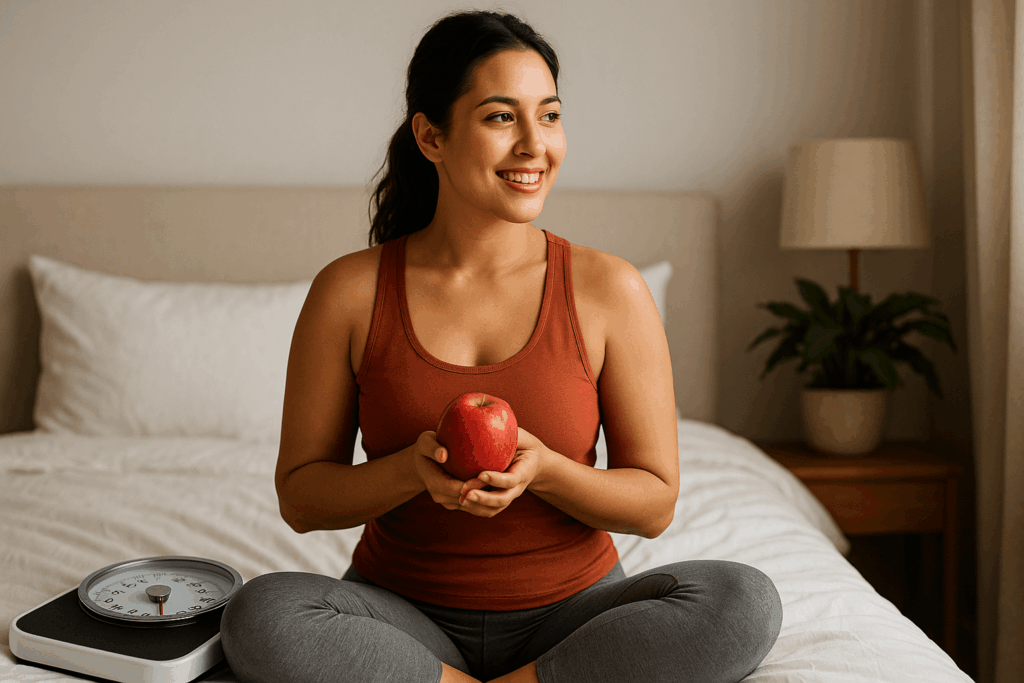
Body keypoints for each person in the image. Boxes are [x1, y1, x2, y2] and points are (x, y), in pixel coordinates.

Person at [219, 10, 782, 683]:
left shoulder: (611, 289)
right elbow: (303, 496)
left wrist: (544, 469)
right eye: (499, 118)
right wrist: (413, 472)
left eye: (548, 115)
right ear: (431, 136)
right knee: (260, 613)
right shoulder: (349, 291)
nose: (533, 145)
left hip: (577, 612)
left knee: (743, 601)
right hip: (401, 613)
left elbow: (654, 503)